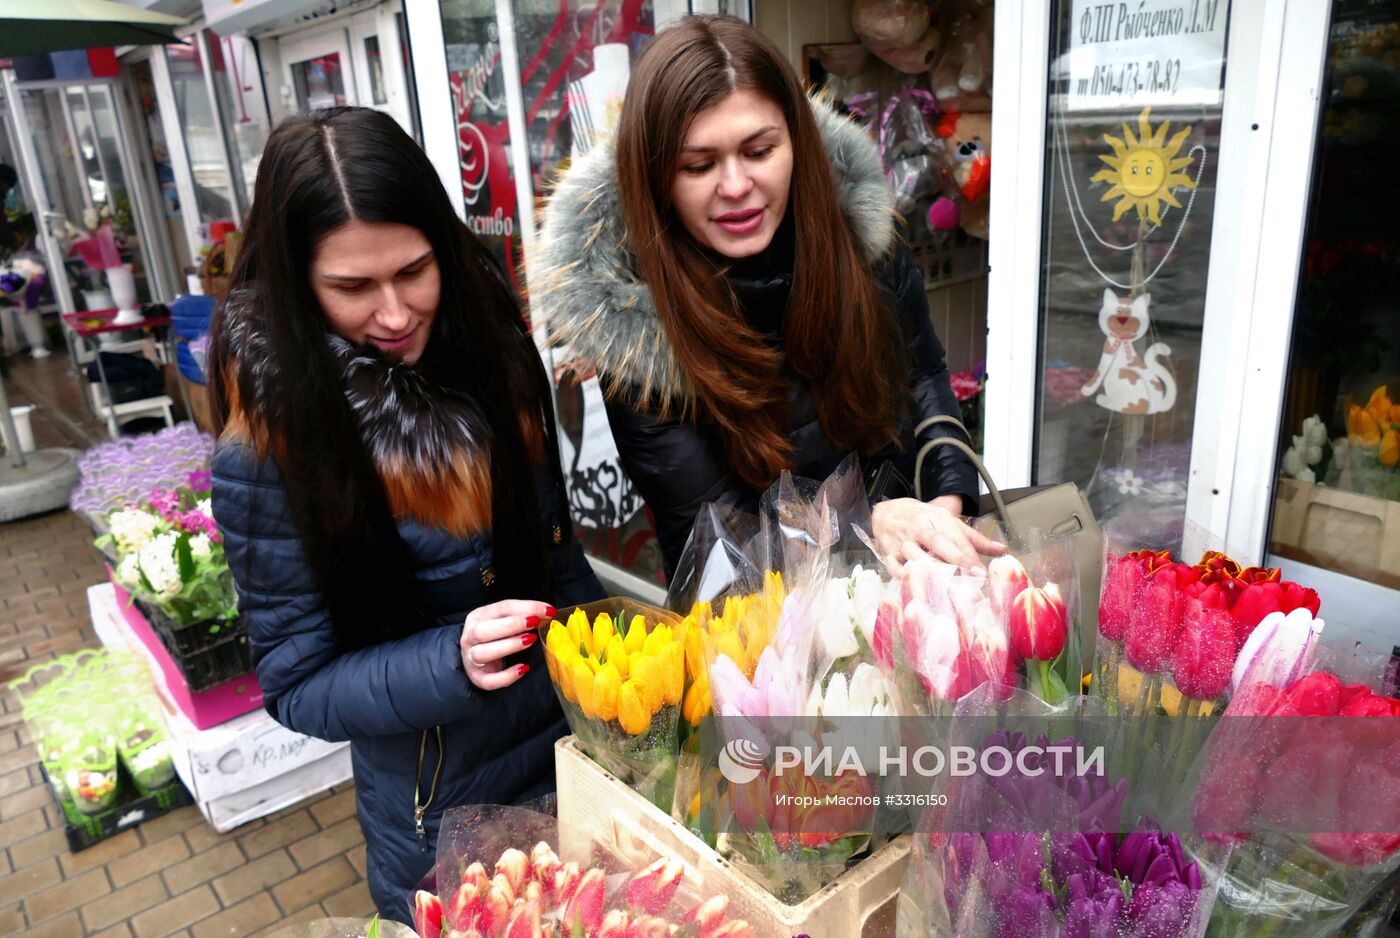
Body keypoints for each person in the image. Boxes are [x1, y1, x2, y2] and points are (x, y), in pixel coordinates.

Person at [207, 107, 603, 925]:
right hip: (440, 816)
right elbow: (296, 684)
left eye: (414, 272)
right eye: (352, 288)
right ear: (294, 282)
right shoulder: (272, 448)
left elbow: (562, 567)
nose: (394, 314)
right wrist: (447, 660)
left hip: (582, 759)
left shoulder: (496, 356)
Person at [532, 15, 1003, 580]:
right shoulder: (637, 332)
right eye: (699, 165)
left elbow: (925, 375)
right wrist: (871, 530)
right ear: (656, 179)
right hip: (774, 634)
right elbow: (716, 549)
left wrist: (944, 508)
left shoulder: (864, 240)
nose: (735, 186)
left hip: (920, 570)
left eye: (759, 151)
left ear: (796, 143)